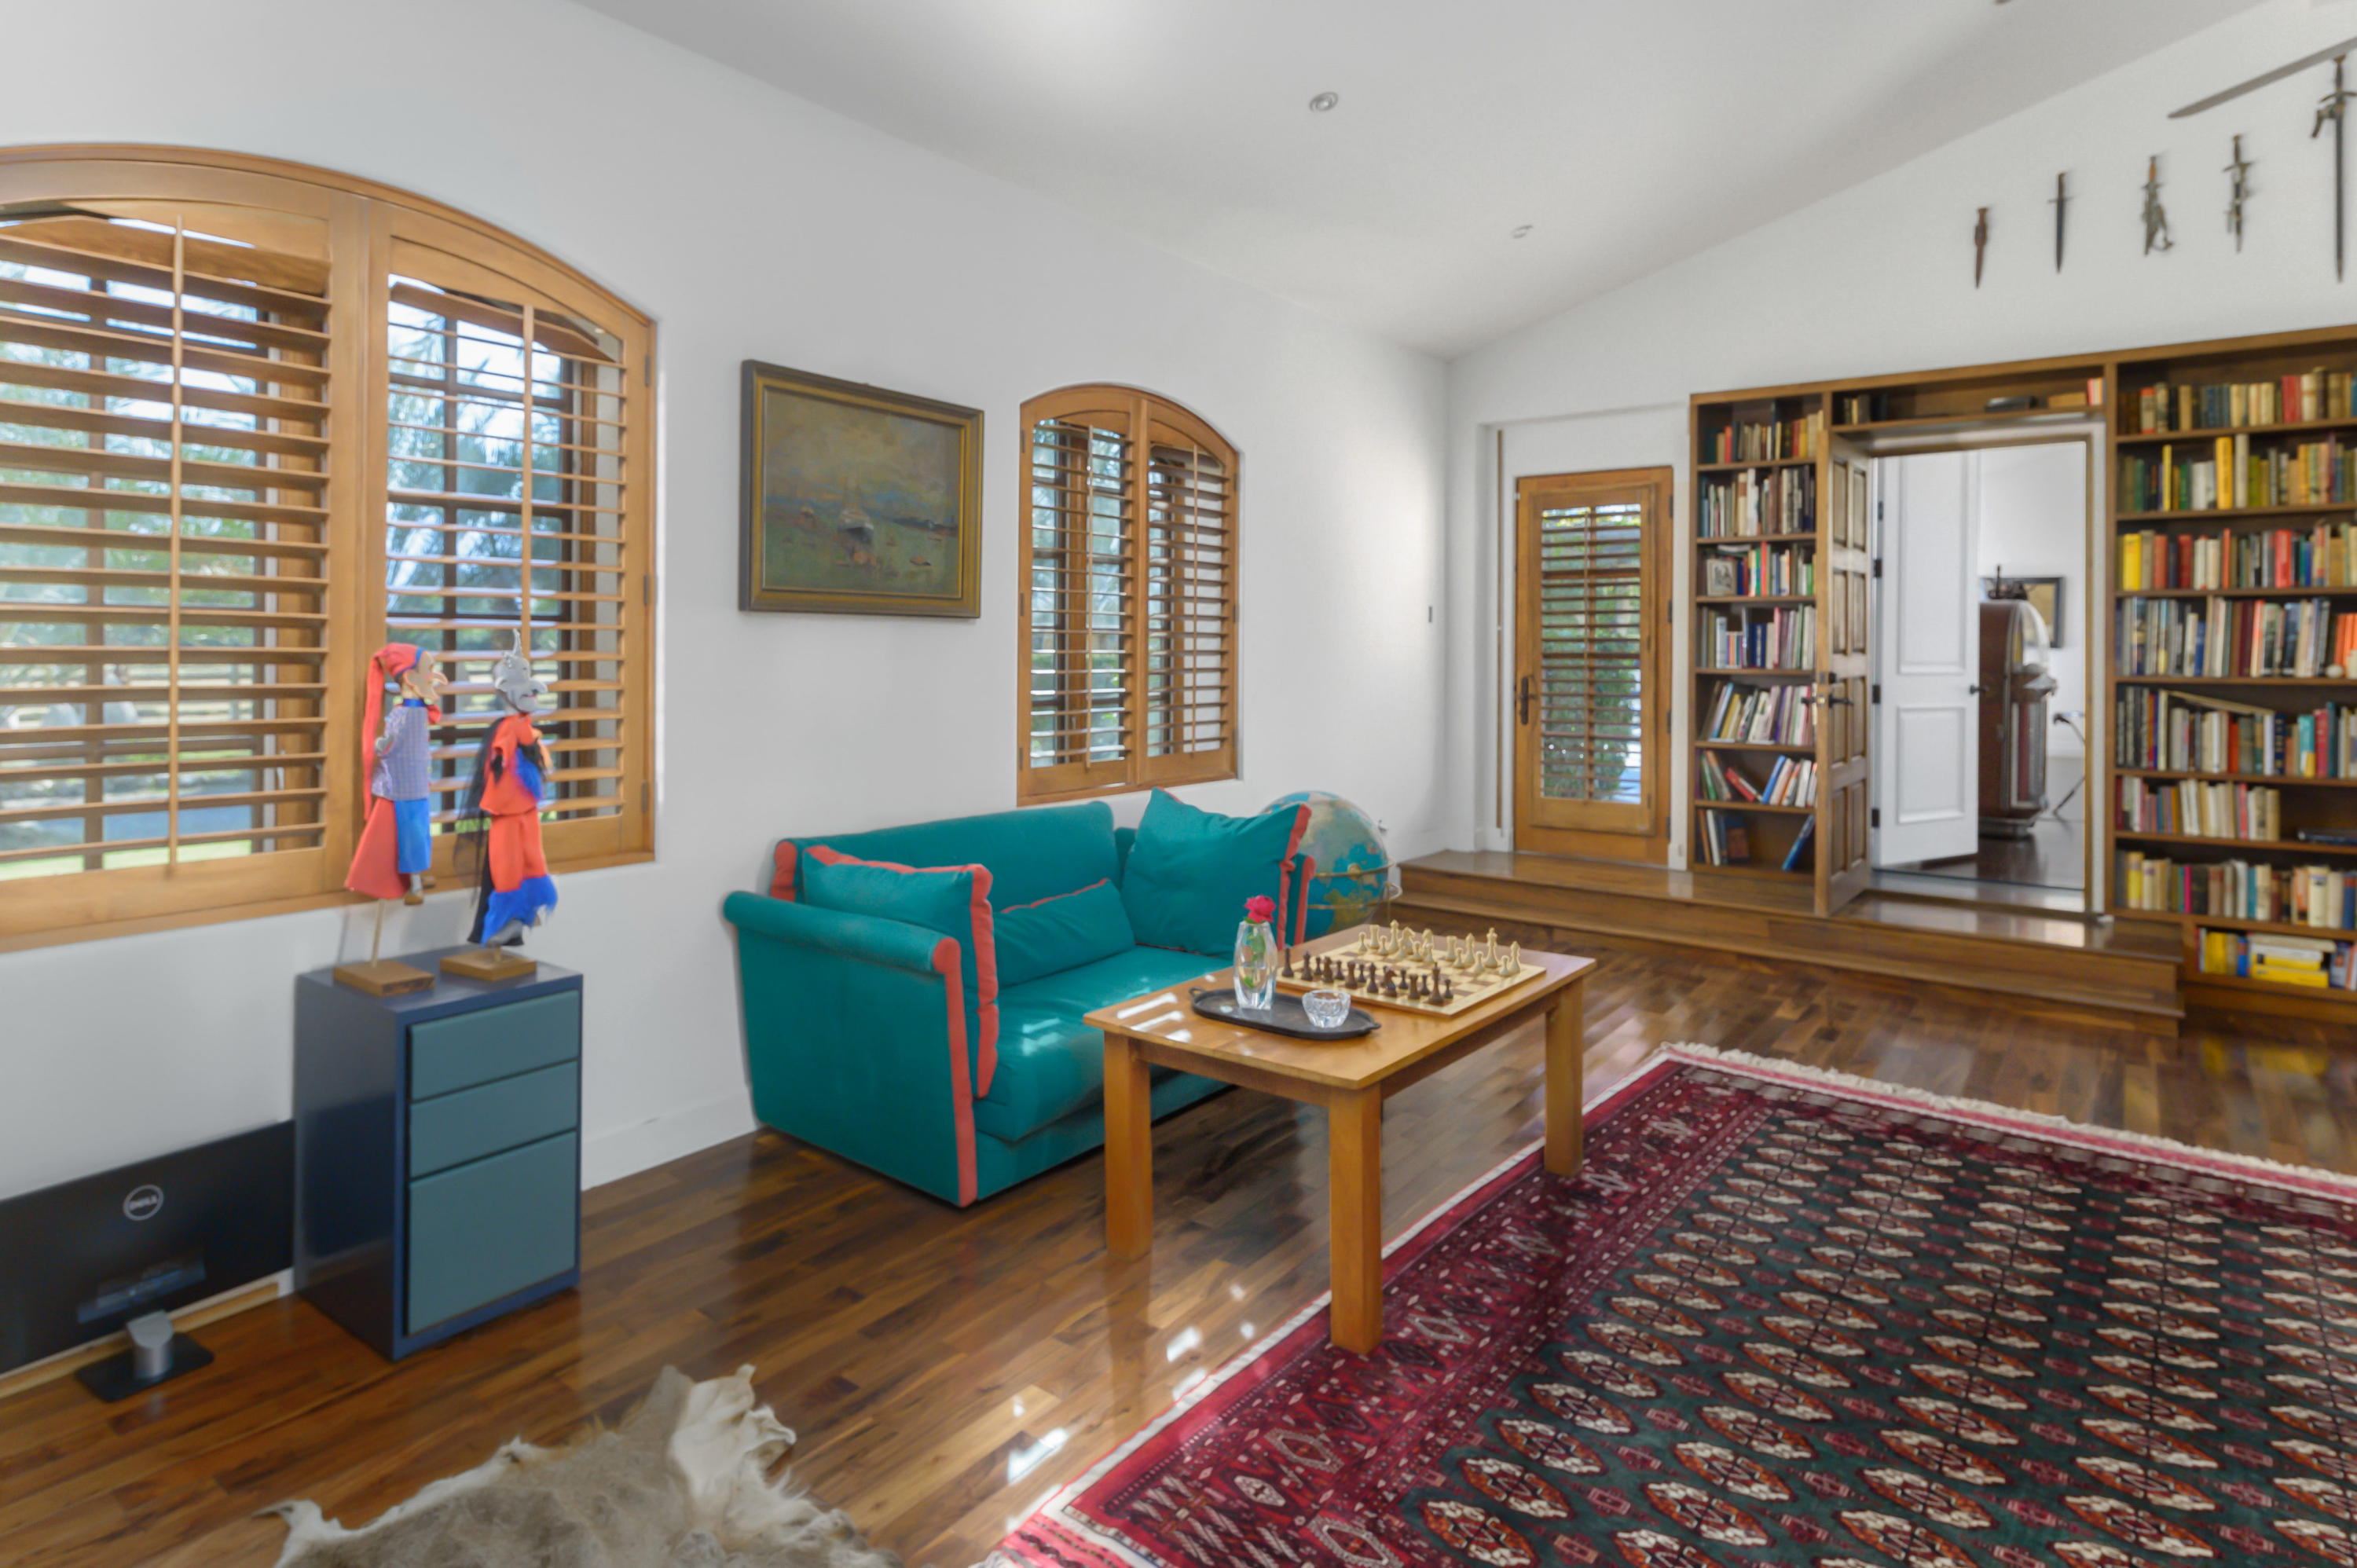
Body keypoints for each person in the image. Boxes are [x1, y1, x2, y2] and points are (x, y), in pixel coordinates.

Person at [345, 643, 449, 905]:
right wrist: (381, 746)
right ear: (411, 677)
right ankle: (415, 882)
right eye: (428, 670)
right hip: (405, 786)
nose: (433, 677)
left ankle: (417, 879)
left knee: (416, 834)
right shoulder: (407, 714)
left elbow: (389, 744)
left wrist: (380, 745)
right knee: (412, 834)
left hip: (412, 783)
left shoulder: (411, 712)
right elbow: (390, 743)